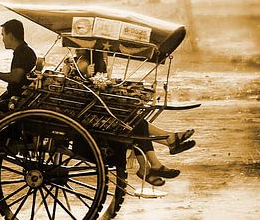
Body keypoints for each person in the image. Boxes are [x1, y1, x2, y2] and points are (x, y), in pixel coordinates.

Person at [74, 49, 195, 186]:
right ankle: (164, 147)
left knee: (135, 121)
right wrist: (89, 76)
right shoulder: (84, 61)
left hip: (95, 109)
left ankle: (157, 157)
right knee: (136, 124)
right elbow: (82, 87)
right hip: (89, 113)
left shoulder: (90, 58)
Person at [0, 19, 37, 115]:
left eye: (3, 35)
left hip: (18, 102)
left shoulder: (22, 52)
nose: (2, 39)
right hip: (16, 97)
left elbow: (15, 78)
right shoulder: (24, 51)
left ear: (10, 35)